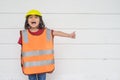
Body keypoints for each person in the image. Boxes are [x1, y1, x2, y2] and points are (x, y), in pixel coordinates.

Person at [18, 9, 76, 80]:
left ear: (40, 20)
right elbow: (22, 51)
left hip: (43, 66)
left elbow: (57, 32)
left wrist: (69, 35)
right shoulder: (24, 34)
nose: (33, 19)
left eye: (36, 17)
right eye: (30, 17)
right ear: (27, 21)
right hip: (30, 67)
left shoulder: (47, 32)